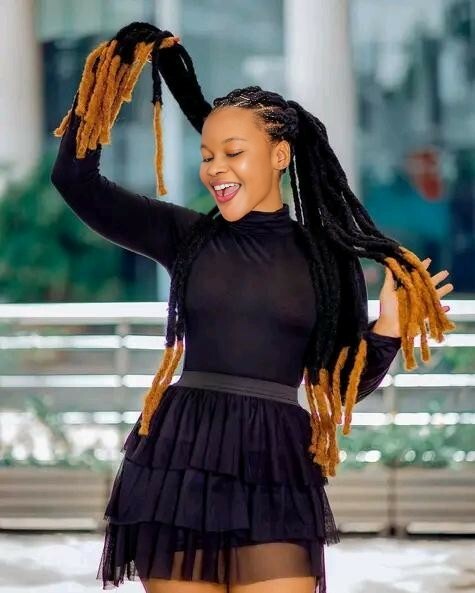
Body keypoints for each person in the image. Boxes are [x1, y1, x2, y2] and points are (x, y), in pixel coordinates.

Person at [50, 23, 455, 593]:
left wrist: (387, 328)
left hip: (276, 464)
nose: (215, 167)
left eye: (233, 152)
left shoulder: (329, 260)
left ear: (280, 154)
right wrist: (113, 71)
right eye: (207, 155)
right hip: (179, 459)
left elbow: (339, 384)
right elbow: (75, 180)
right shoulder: (185, 236)